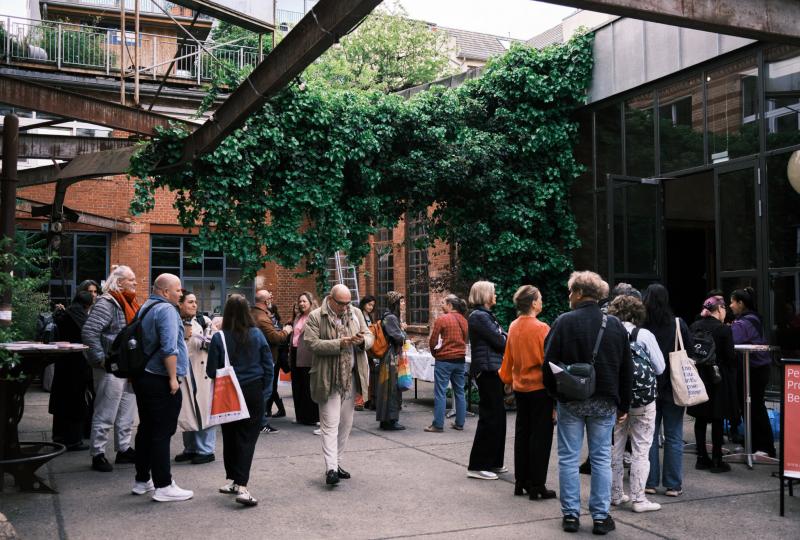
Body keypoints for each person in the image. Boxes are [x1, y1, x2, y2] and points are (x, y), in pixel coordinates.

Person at [543, 271, 632, 535]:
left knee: (569, 459)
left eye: (571, 292)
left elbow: (547, 364)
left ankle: (570, 515)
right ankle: (601, 517)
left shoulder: (563, 322)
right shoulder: (614, 325)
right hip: (604, 401)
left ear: (580, 293)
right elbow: (625, 369)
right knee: (602, 459)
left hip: (571, 400)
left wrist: (555, 395)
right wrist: (623, 405)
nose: (569, 296)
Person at [130, 273, 193, 502]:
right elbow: (169, 348)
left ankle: (141, 480)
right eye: (177, 290)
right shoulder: (166, 310)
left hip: (144, 376)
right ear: (165, 292)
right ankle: (164, 485)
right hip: (160, 378)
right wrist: (173, 378)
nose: (181, 293)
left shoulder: (145, 306)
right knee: (162, 431)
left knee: (146, 428)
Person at [207, 294, 274, 507]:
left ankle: (234, 481)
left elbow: (211, 371)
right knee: (247, 439)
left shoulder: (219, 337)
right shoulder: (256, 334)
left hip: (228, 393)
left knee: (230, 436)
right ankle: (242, 486)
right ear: (247, 311)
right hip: (253, 390)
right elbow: (268, 365)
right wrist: (264, 392)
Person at [305, 284, 374, 486]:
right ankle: (331, 469)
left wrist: (362, 342)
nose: (345, 307)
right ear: (331, 299)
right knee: (330, 424)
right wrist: (340, 343)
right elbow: (312, 343)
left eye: (348, 303)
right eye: (341, 303)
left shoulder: (356, 313)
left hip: (350, 378)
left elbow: (369, 335)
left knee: (345, 423)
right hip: (328, 377)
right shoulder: (316, 316)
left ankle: (338, 462)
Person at [606, 294, 665, 513]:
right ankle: (639, 499)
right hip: (642, 399)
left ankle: (615, 494)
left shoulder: (608, 332)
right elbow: (660, 368)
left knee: (614, 448)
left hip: (615, 399)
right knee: (641, 449)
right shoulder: (645, 335)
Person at [498, 285, 555, 500]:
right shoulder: (542, 328)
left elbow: (508, 358)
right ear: (532, 302)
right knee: (540, 437)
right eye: (539, 298)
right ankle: (537, 484)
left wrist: (507, 380)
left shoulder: (513, 326)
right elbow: (547, 361)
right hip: (540, 388)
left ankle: (521, 480)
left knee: (522, 433)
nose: (541, 301)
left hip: (520, 387)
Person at [82, 265, 138, 472]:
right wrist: (100, 360)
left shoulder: (128, 303)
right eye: (131, 280)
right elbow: (89, 332)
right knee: (106, 412)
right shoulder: (107, 302)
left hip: (127, 368)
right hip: (110, 367)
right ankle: (98, 453)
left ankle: (123, 449)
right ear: (119, 282)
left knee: (126, 413)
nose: (135, 283)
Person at [643, 283, 693, 498]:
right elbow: (690, 351)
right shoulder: (677, 323)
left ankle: (651, 482)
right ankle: (673, 484)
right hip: (674, 386)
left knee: (650, 436)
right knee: (673, 435)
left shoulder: (642, 325)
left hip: (649, 386)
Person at [688, 296, 738, 472]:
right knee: (718, 418)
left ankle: (701, 457)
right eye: (724, 308)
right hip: (717, 378)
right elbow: (730, 357)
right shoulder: (723, 330)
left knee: (700, 418)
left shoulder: (694, 326)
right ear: (718, 310)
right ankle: (717, 459)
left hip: (698, 377)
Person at [466, 280, 508, 481]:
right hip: (488, 370)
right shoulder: (480, 317)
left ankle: (493, 462)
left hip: (493, 369)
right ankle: (477, 465)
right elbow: (501, 341)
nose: (496, 295)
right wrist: (505, 337)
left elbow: (502, 338)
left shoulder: (485, 316)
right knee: (490, 417)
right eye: (493, 292)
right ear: (485, 295)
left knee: (498, 417)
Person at [730, 287, 776, 457]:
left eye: (733, 301)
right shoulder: (753, 319)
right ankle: (752, 443)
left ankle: (765, 447)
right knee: (750, 407)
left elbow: (732, 340)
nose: (730, 305)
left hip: (754, 369)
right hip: (757, 368)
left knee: (754, 407)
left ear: (741, 303)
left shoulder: (743, 323)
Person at [175, 291, 217, 465]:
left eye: (195, 302)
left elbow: (215, 342)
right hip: (185, 373)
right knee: (187, 411)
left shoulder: (203, 321)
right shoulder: (175, 321)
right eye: (190, 302)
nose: (194, 305)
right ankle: (190, 448)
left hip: (203, 373)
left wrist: (208, 339)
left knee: (204, 410)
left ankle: (206, 450)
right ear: (180, 304)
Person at [50, 290, 94, 451]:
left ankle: (59, 436)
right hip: (77, 365)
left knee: (62, 401)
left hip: (62, 364)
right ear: (87, 304)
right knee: (76, 402)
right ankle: (73, 440)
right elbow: (88, 336)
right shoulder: (80, 316)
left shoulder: (65, 313)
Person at [426, 294, 469, 433]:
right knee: (460, 391)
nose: (441, 305)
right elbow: (465, 339)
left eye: (443, 302)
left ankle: (438, 424)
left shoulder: (442, 319)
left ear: (450, 305)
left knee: (440, 392)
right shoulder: (464, 320)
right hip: (460, 359)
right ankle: (460, 423)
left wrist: (434, 353)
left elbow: (433, 340)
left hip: (444, 359)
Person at [251, 290, 292, 434]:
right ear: (265, 301)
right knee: (266, 392)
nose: (272, 299)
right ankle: (260, 423)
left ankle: (257, 421)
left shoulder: (254, 314)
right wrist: (286, 331)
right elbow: (275, 337)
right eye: (270, 297)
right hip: (265, 360)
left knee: (264, 392)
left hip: (257, 359)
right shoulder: (261, 318)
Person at [375, 291, 407, 431]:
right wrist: (403, 332)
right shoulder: (392, 318)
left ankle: (385, 419)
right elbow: (398, 338)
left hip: (388, 356)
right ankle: (391, 420)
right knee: (391, 388)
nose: (403, 304)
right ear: (395, 303)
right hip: (391, 357)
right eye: (401, 301)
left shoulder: (387, 316)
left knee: (387, 387)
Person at [290, 291, 320, 428]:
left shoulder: (315, 316)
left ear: (310, 302)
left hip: (308, 355)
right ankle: (300, 416)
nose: (301, 304)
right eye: (300, 301)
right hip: (296, 353)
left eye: (304, 301)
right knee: (297, 386)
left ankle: (312, 417)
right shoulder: (298, 317)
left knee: (308, 387)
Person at [357, 294, 377, 411]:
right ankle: (360, 400)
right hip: (362, 347)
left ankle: (368, 399)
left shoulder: (370, 316)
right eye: (369, 304)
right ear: (364, 303)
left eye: (372, 305)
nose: (370, 307)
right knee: (362, 374)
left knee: (369, 374)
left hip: (370, 347)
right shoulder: (359, 314)